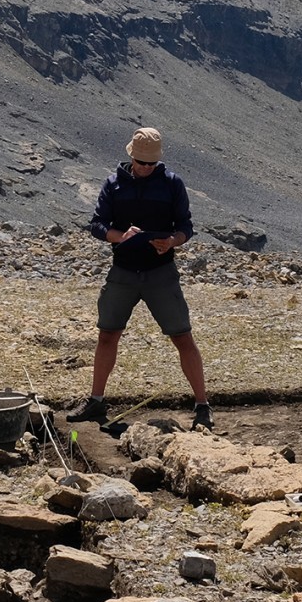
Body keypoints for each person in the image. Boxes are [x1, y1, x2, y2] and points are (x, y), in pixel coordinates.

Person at [67, 127, 211, 430]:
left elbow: (186, 225)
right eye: (141, 162)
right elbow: (96, 225)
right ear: (131, 155)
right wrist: (121, 236)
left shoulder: (172, 184)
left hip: (161, 273)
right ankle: (95, 401)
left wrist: (172, 241)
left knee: (182, 336)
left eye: (151, 163)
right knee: (108, 334)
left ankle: (202, 405)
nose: (146, 168)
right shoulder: (114, 183)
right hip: (123, 271)